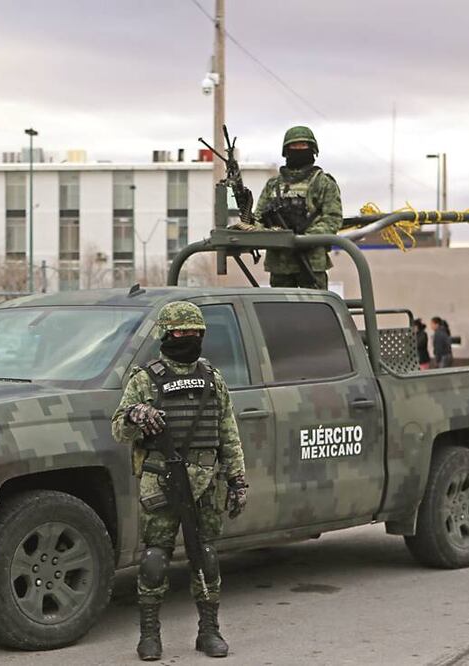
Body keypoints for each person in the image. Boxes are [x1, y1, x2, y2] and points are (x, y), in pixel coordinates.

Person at [112, 301, 248, 660]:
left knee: (206, 555)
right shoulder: (145, 379)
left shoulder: (213, 379)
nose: (187, 338)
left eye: (193, 333)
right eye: (180, 333)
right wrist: (136, 415)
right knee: (155, 557)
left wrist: (237, 480)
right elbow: (118, 429)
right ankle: (149, 635)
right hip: (161, 481)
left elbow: (227, 433)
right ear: (166, 334)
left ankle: (209, 631)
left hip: (205, 482)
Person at [236, 126, 342, 289]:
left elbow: (332, 220)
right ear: (286, 151)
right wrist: (250, 227)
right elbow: (259, 218)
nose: (299, 150)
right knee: (281, 312)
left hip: (311, 262)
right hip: (280, 265)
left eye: (303, 146)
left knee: (316, 311)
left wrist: (302, 239)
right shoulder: (273, 185)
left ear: (312, 150)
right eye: (294, 146)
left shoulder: (323, 183)